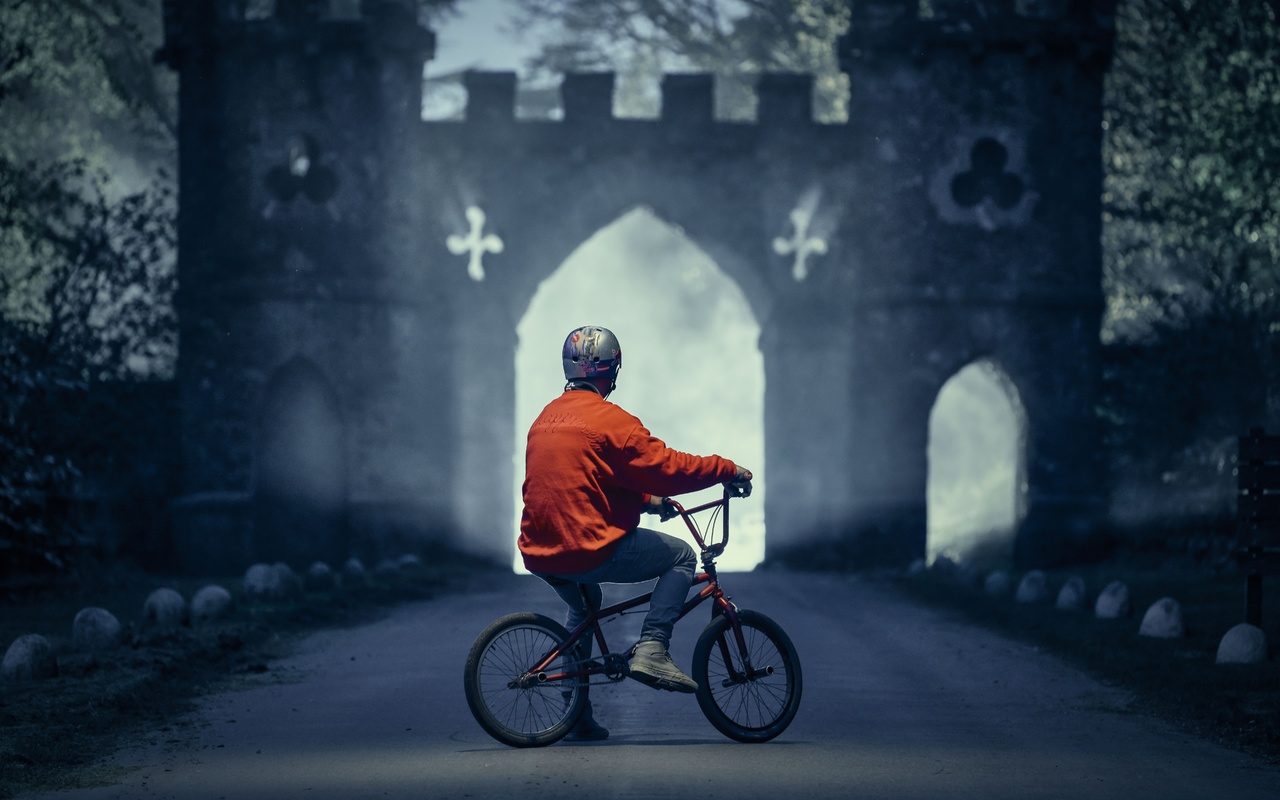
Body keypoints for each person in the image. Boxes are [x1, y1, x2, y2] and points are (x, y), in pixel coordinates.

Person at [518, 325, 752, 742]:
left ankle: (576, 712)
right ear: (612, 371)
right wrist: (725, 468)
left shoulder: (546, 418)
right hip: (585, 547)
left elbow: (584, 481)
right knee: (681, 556)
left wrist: (647, 501)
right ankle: (653, 648)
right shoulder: (611, 420)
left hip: (541, 550)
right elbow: (668, 468)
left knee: (585, 607)